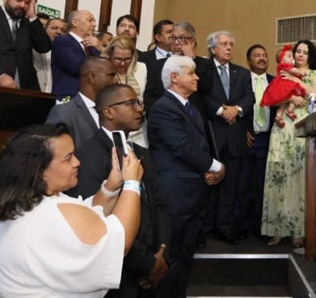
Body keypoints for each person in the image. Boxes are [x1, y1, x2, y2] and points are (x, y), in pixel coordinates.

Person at [0, 123, 143, 297]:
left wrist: (112, 185)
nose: (77, 162)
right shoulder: (51, 214)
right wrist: (132, 183)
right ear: (40, 170)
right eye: (68, 158)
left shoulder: (26, 203)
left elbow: (88, 219)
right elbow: (119, 244)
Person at [69, 84, 176, 297]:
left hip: (154, 263)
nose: (139, 109)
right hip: (120, 275)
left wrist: (162, 252)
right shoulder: (87, 156)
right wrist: (147, 264)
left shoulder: (141, 151)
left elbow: (159, 205)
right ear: (108, 112)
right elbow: (97, 220)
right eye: (131, 103)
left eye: (139, 103)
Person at [148, 56, 225, 298]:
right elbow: (181, 147)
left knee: (184, 257)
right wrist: (216, 166)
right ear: (174, 77)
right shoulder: (164, 107)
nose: (197, 77)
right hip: (175, 196)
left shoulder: (188, 106)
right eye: (191, 73)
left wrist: (210, 169)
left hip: (193, 194)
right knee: (170, 258)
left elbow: (198, 146)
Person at [262, 40, 316, 246]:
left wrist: (297, 82)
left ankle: (300, 231)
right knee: (279, 174)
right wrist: (290, 99)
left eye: (305, 52)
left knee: (300, 176)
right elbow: (272, 97)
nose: (300, 55)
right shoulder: (284, 71)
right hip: (282, 128)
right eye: (298, 51)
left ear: (311, 56)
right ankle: (277, 229)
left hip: (302, 128)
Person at [205, 30, 254, 243]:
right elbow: (201, 96)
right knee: (209, 183)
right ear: (213, 49)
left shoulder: (241, 73)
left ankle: (225, 227)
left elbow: (250, 97)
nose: (228, 48)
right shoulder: (204, 70)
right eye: (224, 44)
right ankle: (206, 227)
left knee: (231, 185)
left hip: (235, 137)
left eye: (230, 45)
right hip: (212, 135)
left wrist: (237, 110)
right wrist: (221, 111)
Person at [143, 22, 214, 122]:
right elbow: (150, 96)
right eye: (173, 38)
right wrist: (157, 117)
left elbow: (206, 87)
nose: (176, 42)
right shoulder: (158, 65)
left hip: (195, 120)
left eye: (181, 38)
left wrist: (192, 59)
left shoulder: (204, 64)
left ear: (192, 41)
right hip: (165, 119)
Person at [46, 57, 117, 148]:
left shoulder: (113, 110)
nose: (116, 81)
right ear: (92, 78)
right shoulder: (64, 113)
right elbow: (54, 152)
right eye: (111, 75)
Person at [246, 44, 276, 238]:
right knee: (245, 184)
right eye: (257, 55)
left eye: (264, 55)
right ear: (249, 60)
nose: (262, 58)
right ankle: (244, 226)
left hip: (268, 139)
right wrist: (243, 129)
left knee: (263, 184)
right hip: (246, 139)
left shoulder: (274, 81)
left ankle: (261, 228)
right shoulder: (241, 79)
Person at [52, 9, 102, 99]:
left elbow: (105, 69)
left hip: (92, 98)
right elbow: (76, 66)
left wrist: (101, 48)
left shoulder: (93, 47)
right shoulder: (63, 41)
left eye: (94, 21)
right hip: (69, 96)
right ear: (75, 22)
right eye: (90, 20)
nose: (94, 24)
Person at [259, 44, 306, 120]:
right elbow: (293, 70)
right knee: (292, 96)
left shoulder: (284, 66)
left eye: (292, 56)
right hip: (285, 86)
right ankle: (289, 111)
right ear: (282, 60)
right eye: (289, 56)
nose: (292, 58)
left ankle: (279, 115)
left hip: (287, 86)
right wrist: (301, 73)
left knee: (284, 104)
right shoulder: (284, 65)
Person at [34, 17, 66, 93]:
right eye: (54, 28)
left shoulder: (65, 54)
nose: (59, 32)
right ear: (45, 28)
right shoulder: (32, 48)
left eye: (63, 30)